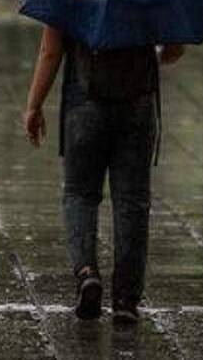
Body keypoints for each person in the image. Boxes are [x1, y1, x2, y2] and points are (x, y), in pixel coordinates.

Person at [22, 26, 184, 324]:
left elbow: (51, 50)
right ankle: (125, 298)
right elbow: (173, 50)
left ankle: (86, 273)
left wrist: (34, 104)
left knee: (79, 195)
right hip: (138, 102)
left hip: (84, 101)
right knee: (132, 202)